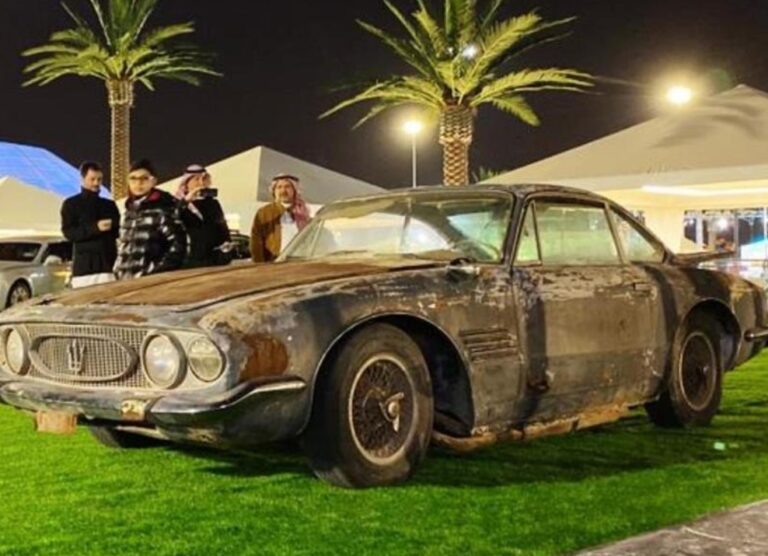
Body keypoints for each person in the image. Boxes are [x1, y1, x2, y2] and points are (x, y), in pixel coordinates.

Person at [114, 159, 187, 280]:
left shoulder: (163, 209)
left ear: (153, 181)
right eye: (133, 178)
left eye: (144, 178)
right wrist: (118, 270)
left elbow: (179, 244)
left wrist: (158, 271)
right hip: (125, 281)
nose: (138, 183)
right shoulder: (127, 212)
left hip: (151, 280)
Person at [60, 161, 120, 289]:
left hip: (107, 266)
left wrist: (112, 226)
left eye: (99, 179)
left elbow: (118, 231)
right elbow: (69, 233)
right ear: (82, 179)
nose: (96, 183)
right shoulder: (71, 204)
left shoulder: (109, 205)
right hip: (84, 269)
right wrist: (95, 228)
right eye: (92, 179)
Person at [176, 164, 232, 268]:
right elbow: (173, 219)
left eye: (204, 179)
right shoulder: (177, 203)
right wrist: (186, 201)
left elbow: (222, 228)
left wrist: (226, 250)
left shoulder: (212, 204)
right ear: (186, 183)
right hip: (188, 261)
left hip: (213, 260)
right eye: (196, 179)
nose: (201, 183)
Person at [250, 174, 311, 262]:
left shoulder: (303, 212)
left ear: (294, 190)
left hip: (299, 262)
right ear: (274, 191)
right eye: (279, 187)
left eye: (287, 187)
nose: (283, 191)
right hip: (274, 263)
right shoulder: (264, 213)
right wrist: (259, 265)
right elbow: (256, 241)